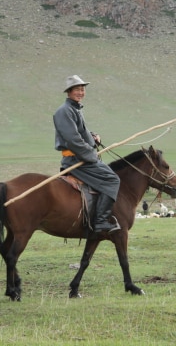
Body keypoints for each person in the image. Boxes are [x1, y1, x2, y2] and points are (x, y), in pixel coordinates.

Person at [53, 75, 121, 233]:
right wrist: (91, 154)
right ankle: (101, 221)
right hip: (75, 159)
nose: (81, 92)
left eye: (82, 89)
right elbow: (73, 140)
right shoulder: (64, 111)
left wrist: (93, 137)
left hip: (81, 156)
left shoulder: (74, 109)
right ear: (69, 92)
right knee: (112, 180)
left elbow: (80, 133)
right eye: (77, 89)